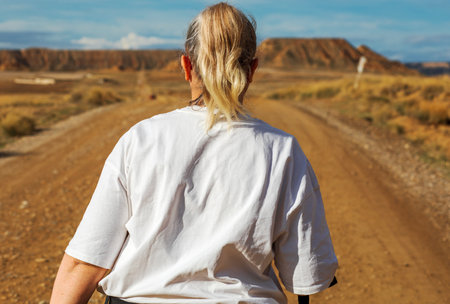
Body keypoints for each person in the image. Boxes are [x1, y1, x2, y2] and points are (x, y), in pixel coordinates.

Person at [50, 3, 338, 304]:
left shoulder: (141, 139)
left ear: (187, 66)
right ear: (251, 71)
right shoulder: (283, 151)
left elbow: (84, 263)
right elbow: (306, 277)